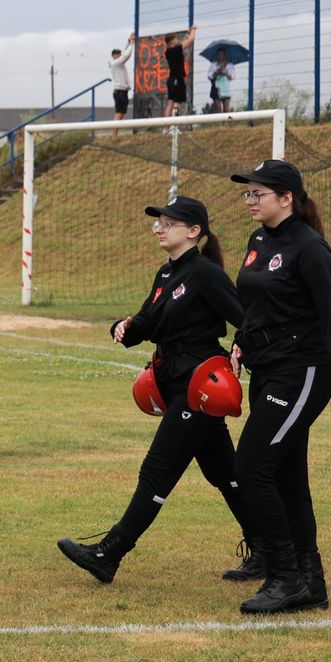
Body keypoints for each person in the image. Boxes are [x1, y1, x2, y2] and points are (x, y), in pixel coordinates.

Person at [57, 196, 248, 583]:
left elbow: (245, 316)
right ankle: (272, 548)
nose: (159, 228)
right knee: (225, 473)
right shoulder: (166, 274)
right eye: (158, 223)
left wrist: (241, 346)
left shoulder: (206, 273)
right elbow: (147, 322)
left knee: (157, 469)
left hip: (199, 383)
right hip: (172, 377)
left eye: (169, 223)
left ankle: (109, 552)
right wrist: (122, 327)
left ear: (194, 231)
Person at [226, 159, 331, 614]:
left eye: (257, 194)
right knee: (286, 476)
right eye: (247, 194)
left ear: (286, 198)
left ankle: (286, 577)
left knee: (251, 466)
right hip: (267, 367)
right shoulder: (259, 240)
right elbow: (256, 305)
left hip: (304, 371)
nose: (250, 200)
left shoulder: (310, 248)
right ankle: (311, 581)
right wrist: (242, 343)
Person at [109, 43, 133, 121]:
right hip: (119, 92)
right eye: (116, 54)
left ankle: (115, 132)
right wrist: (132, 44)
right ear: (113, 56)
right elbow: (126, 56)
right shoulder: (116, 63)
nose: (118, 55)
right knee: (119, 113)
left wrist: (129, 43)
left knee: (122, 113)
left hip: (122, 91)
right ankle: (114, 133)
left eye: (119, 53)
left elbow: (124, 55)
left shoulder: (119, 63)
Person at [165, 41, 188, 117]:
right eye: (175, 41)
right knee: (176, 103)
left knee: (170, 104)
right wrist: (193, 30)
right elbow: (190, 40)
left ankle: (166, 127)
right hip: (177, 79)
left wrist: (187, 35)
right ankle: (174, 126)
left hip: (172, 79)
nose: (177, 42)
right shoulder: (174, 50)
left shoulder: (168, 52)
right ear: (170, 43)